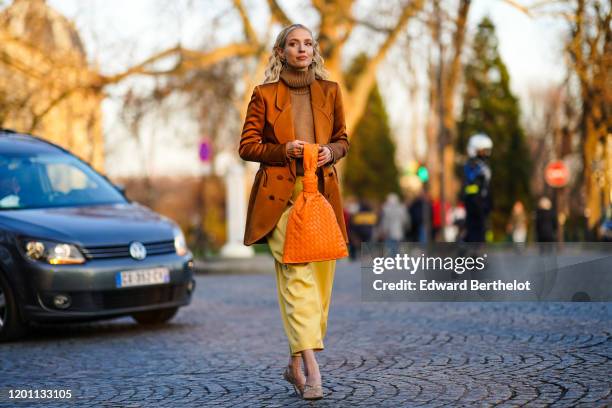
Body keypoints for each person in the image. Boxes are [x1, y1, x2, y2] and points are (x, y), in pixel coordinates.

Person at [238, 23, 349, 400]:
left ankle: (294, 364)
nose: (301, 49)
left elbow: (343, 140)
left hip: (321, 196)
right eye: (293, 44)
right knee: (296, 279)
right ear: (281, 51)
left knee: (318, 286)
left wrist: (330, 152)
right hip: (280, 199)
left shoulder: (331, 92)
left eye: (307, 43)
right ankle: (314, 369)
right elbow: (247, 146)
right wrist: (282, 149)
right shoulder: (264, 95)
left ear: (314, 50)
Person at [461, 133, 493, 242]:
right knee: (474, 234)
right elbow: (471, 187)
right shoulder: (472, 166)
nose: (486, 153)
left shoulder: (483, 166)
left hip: (482, 207)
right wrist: (478, 202)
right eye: (483, 151)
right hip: (474, 206)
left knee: (481, 233)